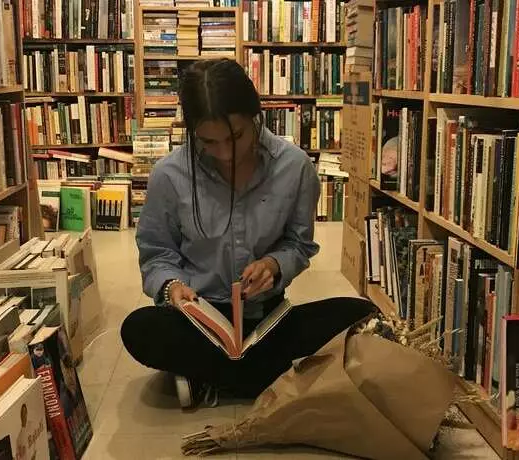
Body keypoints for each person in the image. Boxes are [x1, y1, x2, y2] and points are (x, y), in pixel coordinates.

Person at [120, 58, 374, 408]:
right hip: (199, 321)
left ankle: (211, 375)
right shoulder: (169, 175)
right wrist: (172, 287)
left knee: (361, 313)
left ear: (255, 113)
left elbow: (299, 244)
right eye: (208, 141)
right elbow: (157, 253)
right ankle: (264, 376)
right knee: (137, 329)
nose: (225, 153)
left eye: (236, 136)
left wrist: (273, 265)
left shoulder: (294, 166)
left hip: (266, 319)